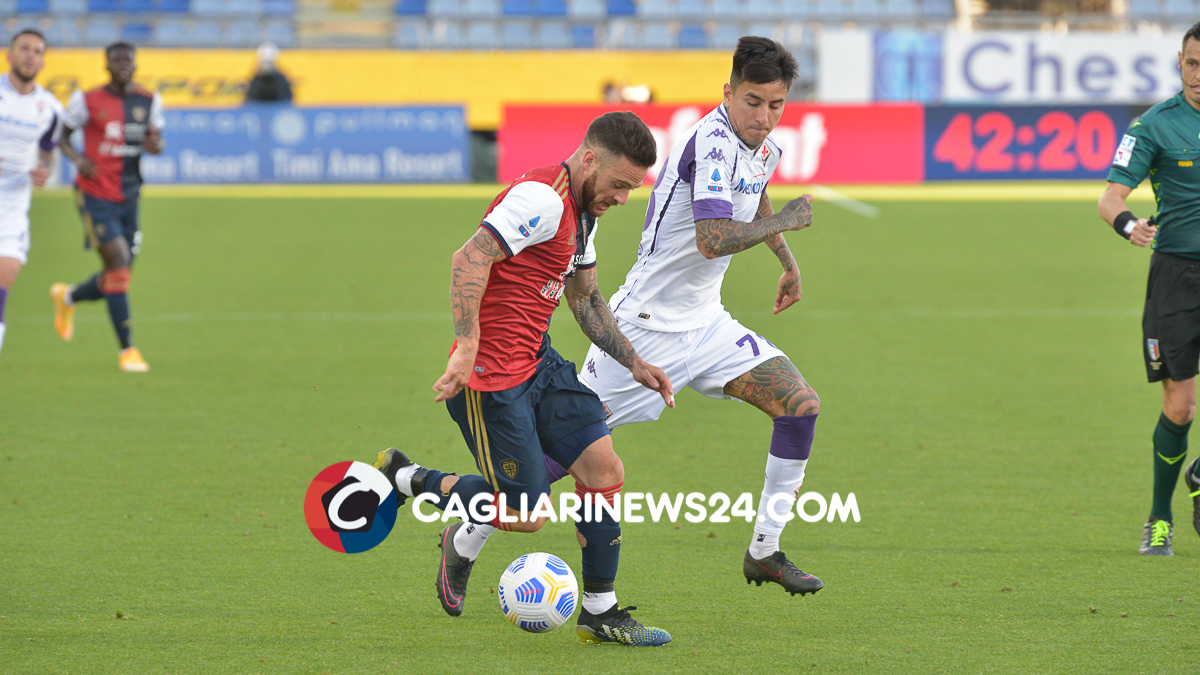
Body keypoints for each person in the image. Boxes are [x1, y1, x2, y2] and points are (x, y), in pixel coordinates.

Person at [375, 111, 675, 646]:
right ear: (589, 160)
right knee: (525, 515)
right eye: (619, 184)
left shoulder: (582, 211)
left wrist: (633, 361)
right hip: (491, 379)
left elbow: (585, 297)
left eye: (632, 188)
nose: (623, 198)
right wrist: (467, 343)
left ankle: (599, 612)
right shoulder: (541, 199)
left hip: (539, 364)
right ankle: (408, 478)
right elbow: (469, 257)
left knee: (604, 469)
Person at [1098, 21, 1200, 557]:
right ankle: (1160, 520)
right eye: (1192, 64)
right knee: (1180, 406)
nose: (1198, 75)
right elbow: (1110, 198)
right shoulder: (1155, 125)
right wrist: (1128, 225)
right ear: (1179, 63)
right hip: (1177, 276)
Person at [51, 41, 163, 373]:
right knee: (117, 263)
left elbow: (156, 141)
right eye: (117, 61)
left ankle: (68, 297)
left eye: (129, 60)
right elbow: (62, 136)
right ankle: (128, 350)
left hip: (130, 195)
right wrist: (78, 159)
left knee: (119, 275)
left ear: (136, 65)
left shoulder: (149, 100)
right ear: (107, 65)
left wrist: (156, 145)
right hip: (95, 193)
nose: (123, 65)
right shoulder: (86, 100)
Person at [0, 29, 62, 358]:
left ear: (43, 61)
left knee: (2, 288)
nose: (30, 55)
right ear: (9, 55)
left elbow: (47, 153)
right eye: (24, 48)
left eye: (37, 51)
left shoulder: (50, 108)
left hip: (11, 208)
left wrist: (44, 169)